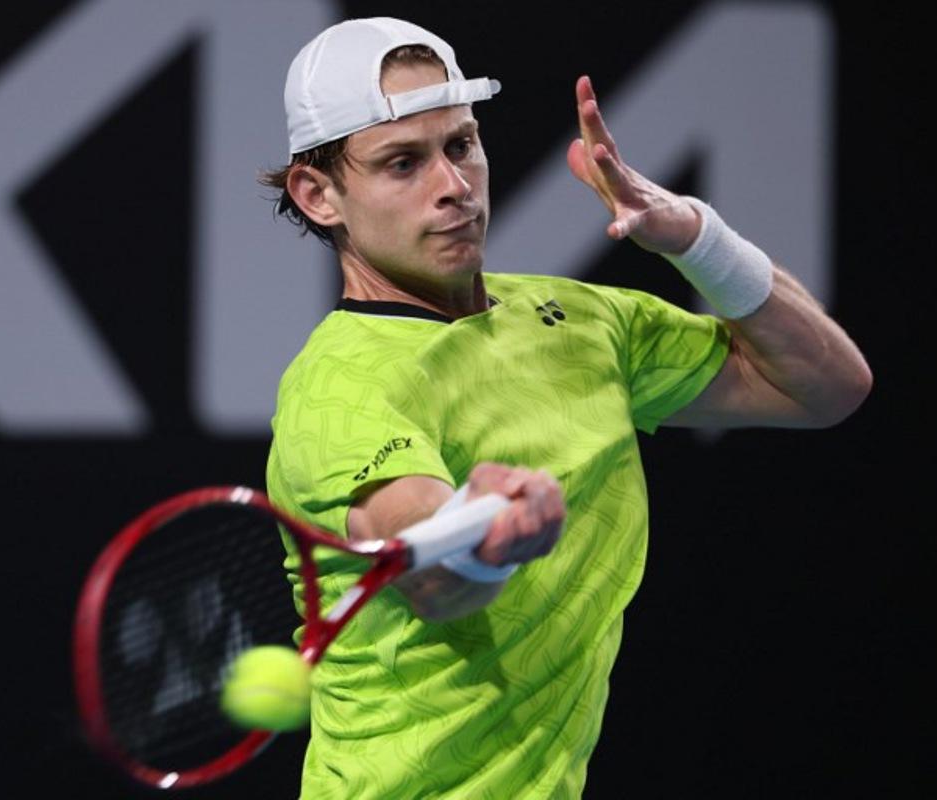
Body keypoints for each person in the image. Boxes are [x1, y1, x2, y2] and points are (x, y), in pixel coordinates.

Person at [262, 16, 871, 800]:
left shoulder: (584, 322)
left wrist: (697, 238)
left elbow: (825, 387)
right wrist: (487, 539)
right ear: (319, 196)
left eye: (461, 145)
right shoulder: (339, 391)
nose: (452, 185)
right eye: (402, 163)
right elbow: (433, 577)